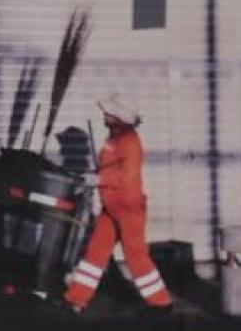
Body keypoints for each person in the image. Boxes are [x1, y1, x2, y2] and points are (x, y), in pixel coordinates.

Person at [63, 94, 174, 312]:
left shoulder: (130, 141)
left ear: (119, 116)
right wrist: (92, 177)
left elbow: (127, 177)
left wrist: (98, 179)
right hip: (111, 207)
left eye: (109, 112)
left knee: (136, 256)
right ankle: (76, 299)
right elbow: (109, 169)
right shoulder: (113, 139)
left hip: (129, 209)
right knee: (95, 252)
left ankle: (161, 303)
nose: (105, 114)